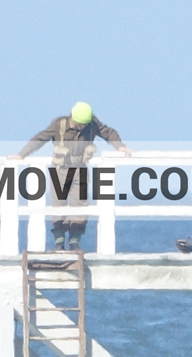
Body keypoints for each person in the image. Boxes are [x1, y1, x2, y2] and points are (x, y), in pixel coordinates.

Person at [15, 102, 131, 251]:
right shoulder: (60, 124)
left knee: (80, 205)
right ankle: (59, 241)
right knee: (59, 205)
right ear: (72, 118)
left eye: (84, 124)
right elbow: (40, 138)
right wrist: (21, 154)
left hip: (80, 170)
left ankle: (74, 241)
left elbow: (108, 132)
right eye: (79, 124)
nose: (82, 127)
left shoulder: (92, 123)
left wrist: (120, 146)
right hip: (60, 170)